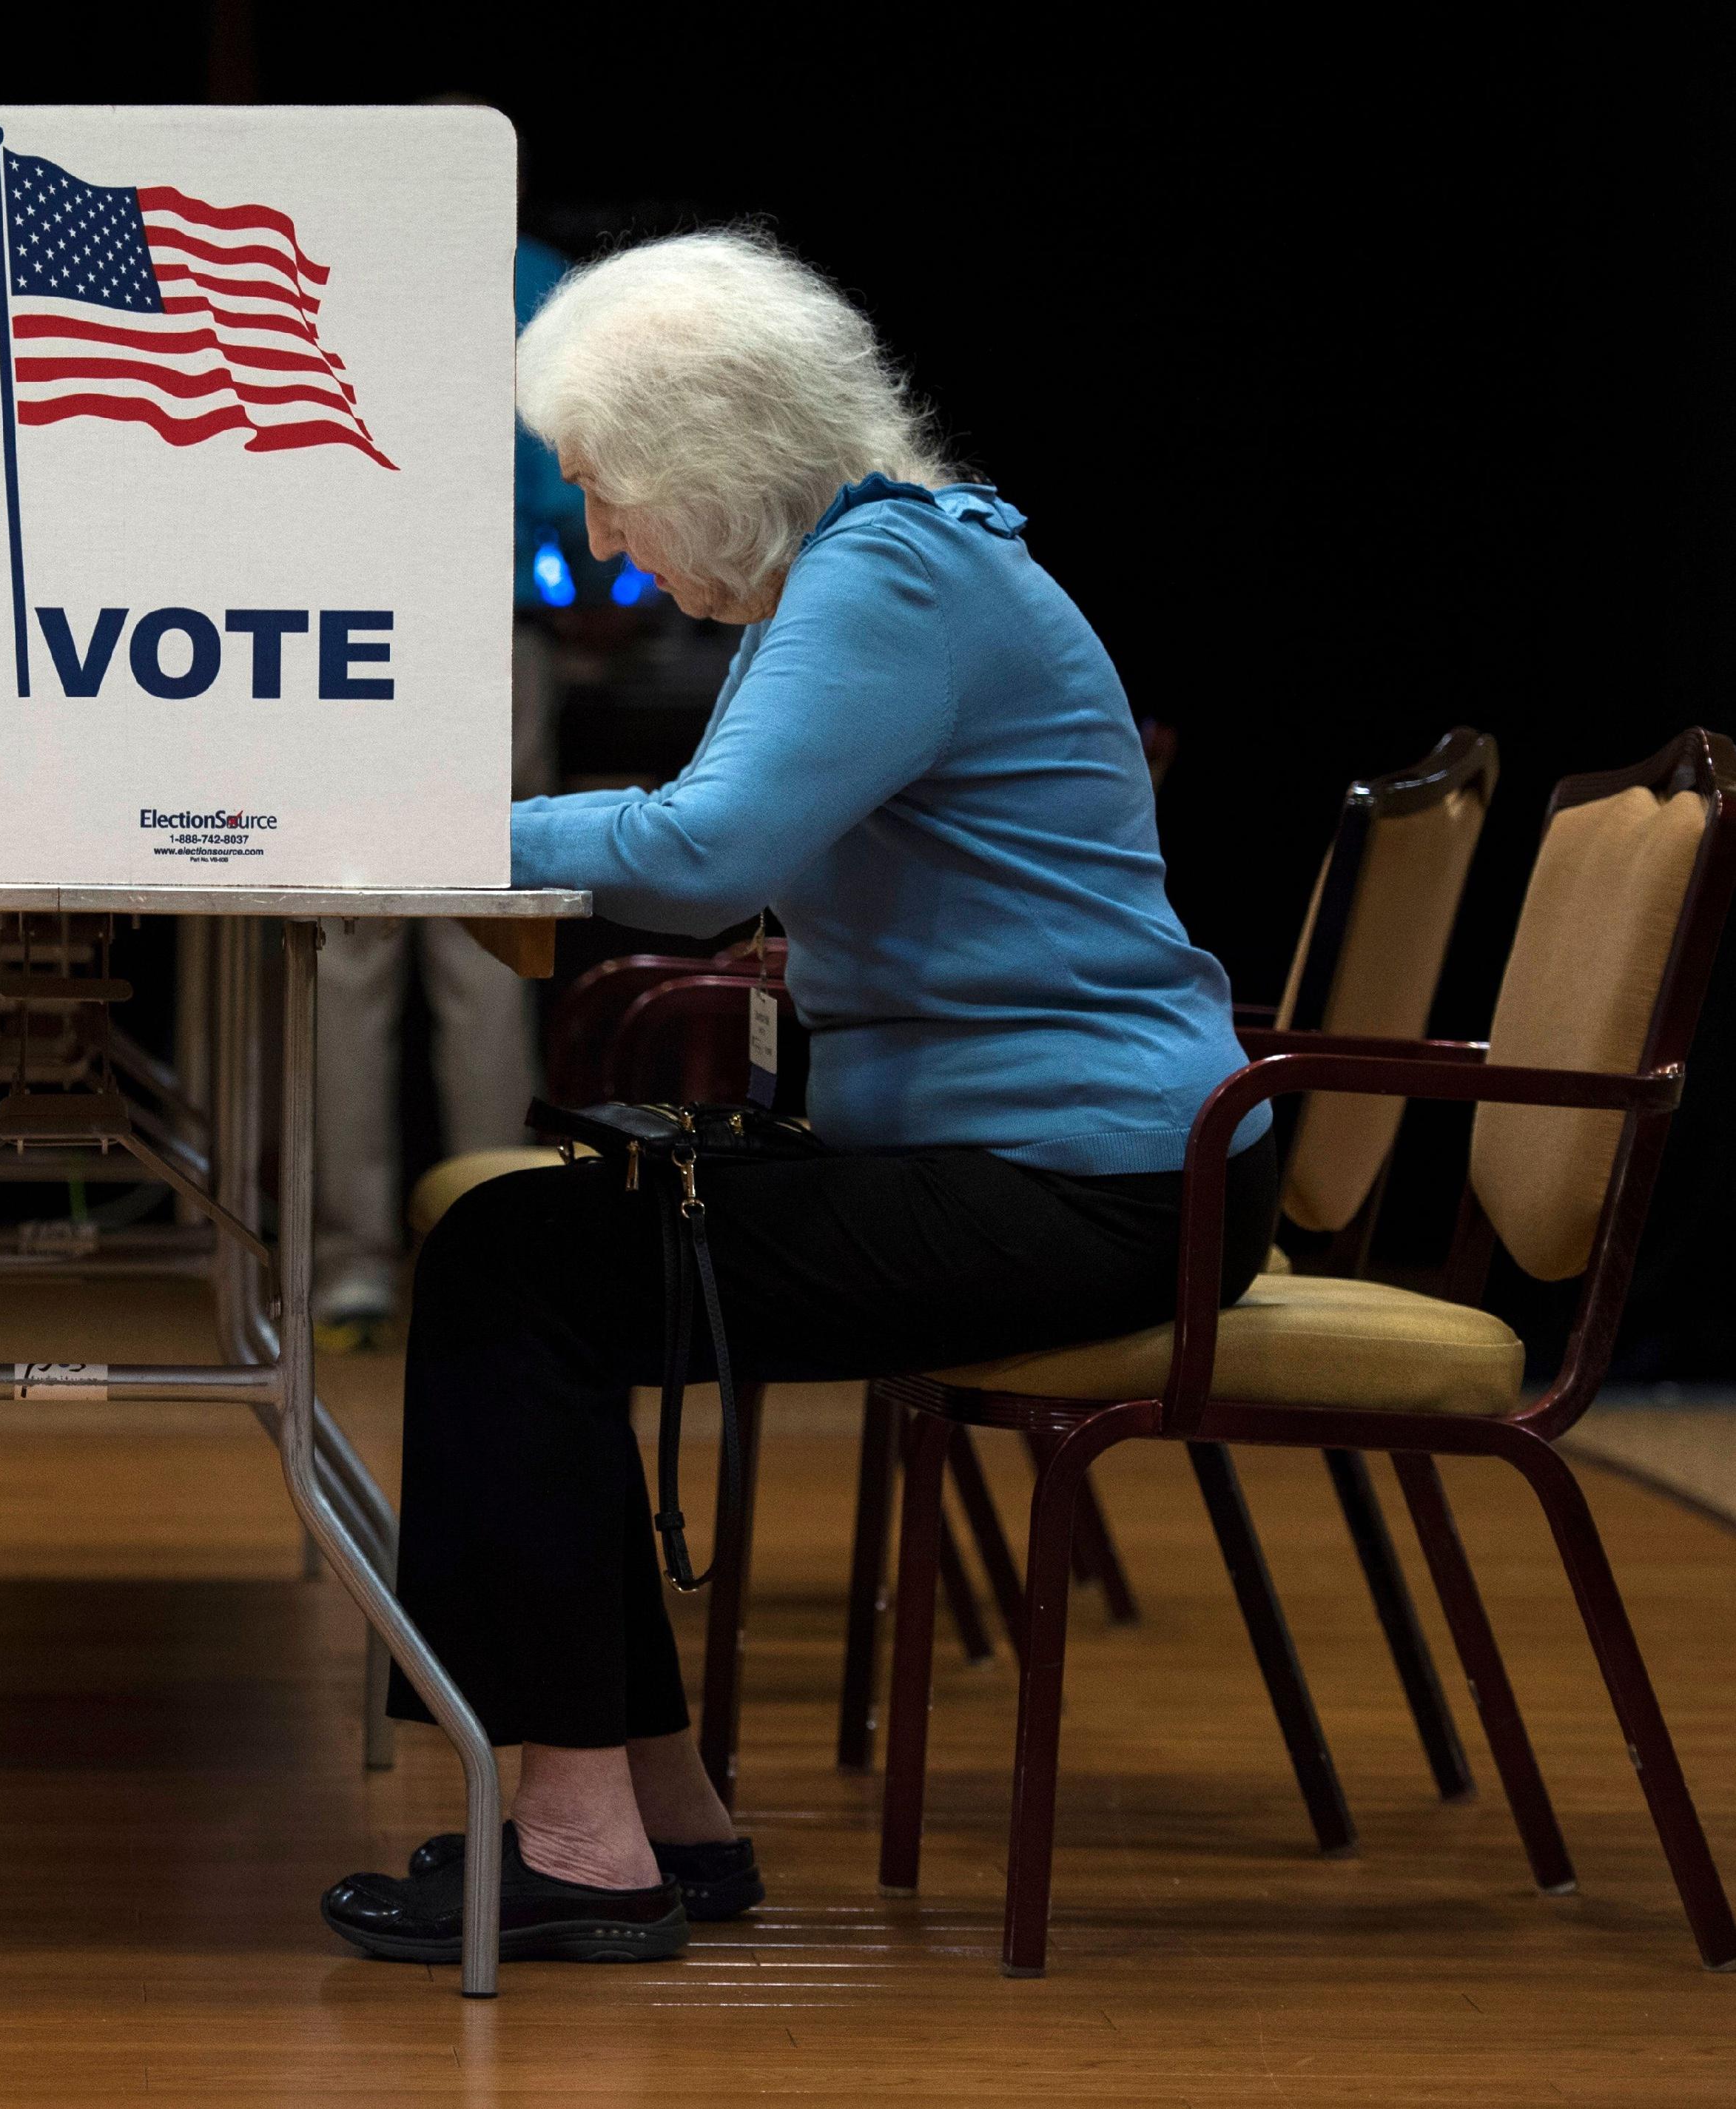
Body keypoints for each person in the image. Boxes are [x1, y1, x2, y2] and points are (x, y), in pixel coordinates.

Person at [319, 230, 1276, 1963]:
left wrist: (414, 826)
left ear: (712, 455)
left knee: (518, 1267)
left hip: (1104, 1185)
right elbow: (726, 844)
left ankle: (590, 1835)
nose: (600, 539)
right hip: (1051, 1159)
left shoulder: (894, 573)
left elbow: (706, 854)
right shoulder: (870, 565)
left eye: (609, 492)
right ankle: (649, 1816)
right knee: (531, 1252)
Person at [307, 234, 567, 1348]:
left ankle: (346, 1264)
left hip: (336, 630)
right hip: (481, 629)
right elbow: (568, 484)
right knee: (485, 944)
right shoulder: (539, 284)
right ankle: (499, 1238)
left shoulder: (338, 253)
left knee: (343, 949)